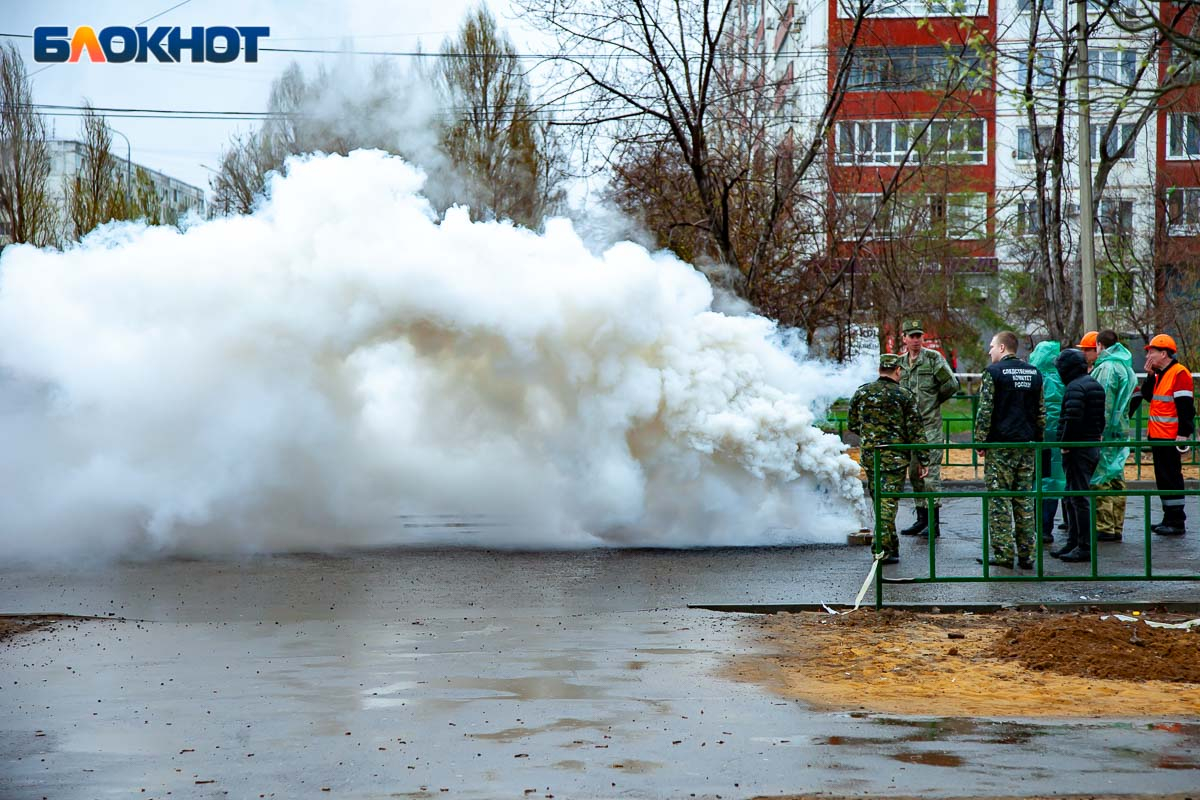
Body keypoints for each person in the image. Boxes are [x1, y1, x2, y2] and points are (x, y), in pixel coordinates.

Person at [848, 353, 929, 565]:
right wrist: (923, 459)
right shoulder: (904, 395)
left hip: (871, 457)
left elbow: (853, 424)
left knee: (880, 502)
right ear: (898, 370)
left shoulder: (862, 392)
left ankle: (891, 547)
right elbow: (916, 431)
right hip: (894, 459)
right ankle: (882, 548)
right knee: (888, 504)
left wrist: (870, 433)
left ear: (879, 370)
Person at [974, 331, 1044, 569]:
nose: (989, 351)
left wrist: (980, 442)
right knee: (1024, 499)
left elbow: (985, 411)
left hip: (1000, 446)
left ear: (1003, 348)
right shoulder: (1034, 373)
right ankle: (1027, 555)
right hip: (1026, 445)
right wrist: (1038, 439)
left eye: (992, 346)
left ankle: (1004, 554)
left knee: (999, 501)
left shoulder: (993, 373)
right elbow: (1041, 412)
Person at [897, 320, 959, 538]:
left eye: (918, 336)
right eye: (911, 336)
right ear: (904, 338)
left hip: (929, 426)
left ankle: (934, 524)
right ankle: (921, 519)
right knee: (914, 474)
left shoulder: (933, 359)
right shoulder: (900, 363)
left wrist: (934, 401)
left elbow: (951, 384)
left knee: (930, 474)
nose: (915, 340)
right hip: (909, 429)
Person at [1130, 334, 1194, 536]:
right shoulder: (1160, 374)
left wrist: (1183, 434)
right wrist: (1149, 375)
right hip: (1159, 436)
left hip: (1170, 437)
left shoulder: (1178, 373)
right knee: (1163, 479)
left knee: (1171, 478)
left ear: (1163, 353)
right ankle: (1169, 518)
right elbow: (1149, 396)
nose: (1148, 355)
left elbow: (1185, 408)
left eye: (1152, 352)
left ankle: (1176, 521)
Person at [1051, 348, 1107, 562]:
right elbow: (1100, 417)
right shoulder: (1093, 383)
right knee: (1073, 495)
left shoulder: (1075, 387)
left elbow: (1071, 418)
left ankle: (1082, 546)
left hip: (1078, 448)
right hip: (1090, 445)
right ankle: (1074, 542)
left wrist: (1066, 444)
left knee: (1078, 497)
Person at [1088, 330, 1136, 542]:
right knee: (1116, 477)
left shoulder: (1107, 368)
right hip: (1120, 431)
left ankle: (1104, 526)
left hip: (1106, 432)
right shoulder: (1125, 366)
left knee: (1102, 478)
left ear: (1099, 345)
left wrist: (1097, 430)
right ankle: (1116, 524)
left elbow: (1103, 402)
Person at [1028, 340, 1066, 544]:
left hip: (1036, 438)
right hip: (1057, 438)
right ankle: (1046, 527)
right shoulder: (1062, 378)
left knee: (1035, 482)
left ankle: (1034, 527)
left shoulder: (1033, 378)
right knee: (1052, 484)